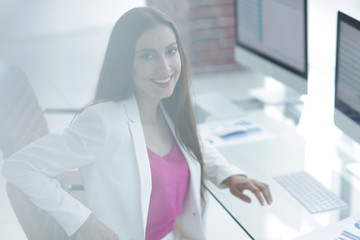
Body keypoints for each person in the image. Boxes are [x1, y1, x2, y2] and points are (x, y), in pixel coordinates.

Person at [2, 7, 272, 240]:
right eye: (148, 55)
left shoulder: (166, 106)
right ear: (125, 63)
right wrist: (83, 219)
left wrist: (229, 175)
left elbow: (191, 144)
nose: (165, 67)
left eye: (171, 51)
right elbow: (18, 166)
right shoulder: (103, 122)